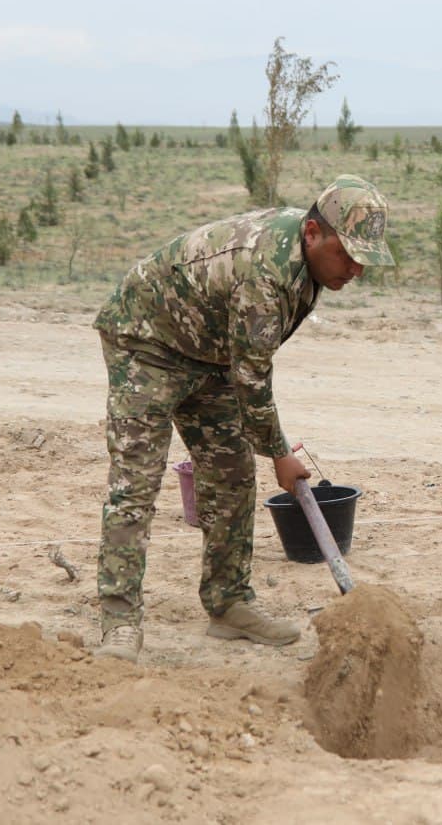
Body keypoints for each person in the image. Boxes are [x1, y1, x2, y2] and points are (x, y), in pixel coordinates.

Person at [92, 174, 394, 663]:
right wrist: (279, 453)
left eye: (364, 258)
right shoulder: (268, 272)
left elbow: (244, 367)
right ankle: (120, 621)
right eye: (348, 254)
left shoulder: (308, 265)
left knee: (231, 475)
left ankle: (229, 603)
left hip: (209, 354)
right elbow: (252, 376)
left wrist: (265, 445)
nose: (356, 269)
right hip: (146, 343)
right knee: (136, 483)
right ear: (314, 234)